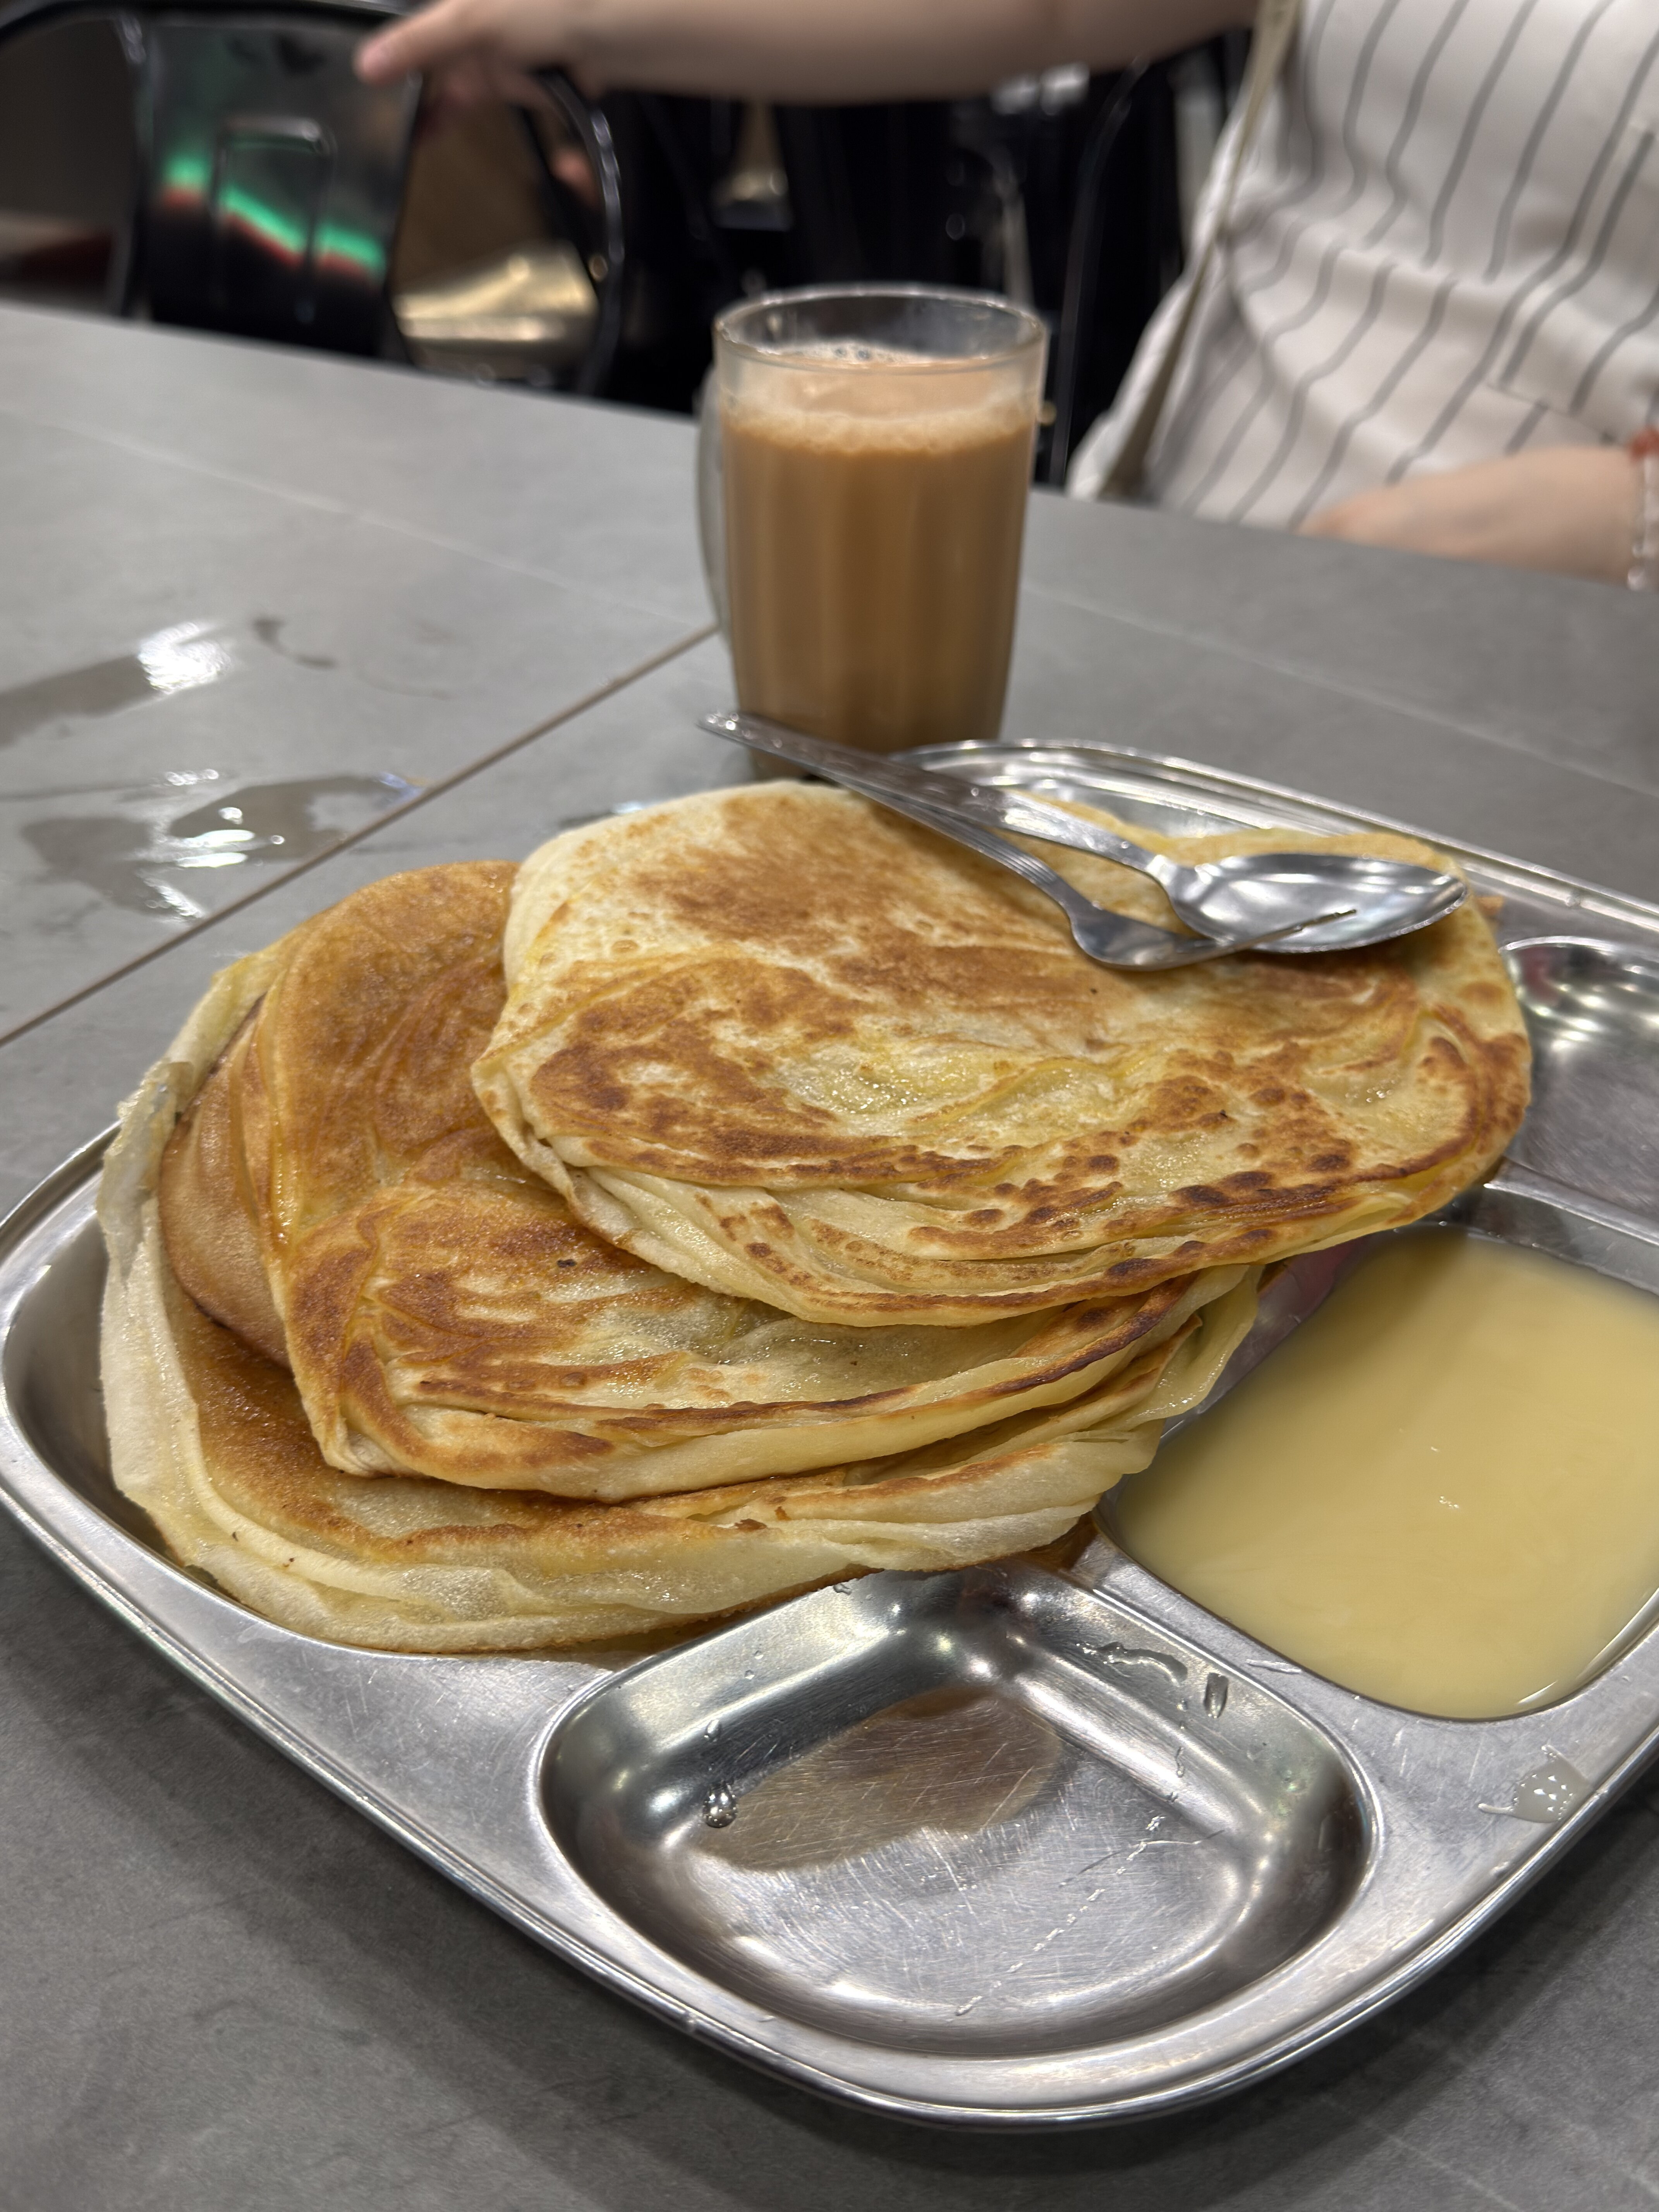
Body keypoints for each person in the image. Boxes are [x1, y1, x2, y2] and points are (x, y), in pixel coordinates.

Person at [357, 0, 1659, 591]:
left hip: (1558, 659)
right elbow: (1049, 8)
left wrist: (1633, 517)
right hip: (1173, 554)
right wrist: (587, 21)